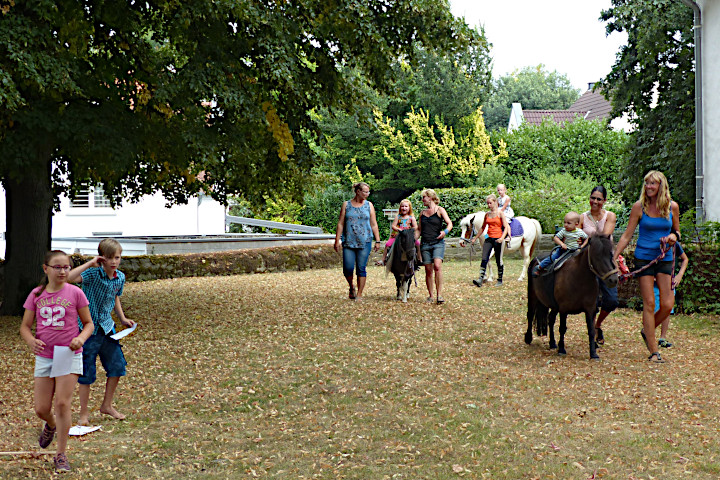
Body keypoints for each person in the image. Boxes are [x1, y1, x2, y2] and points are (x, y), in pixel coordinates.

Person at [20, 250, 95, 472]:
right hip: (45, 357)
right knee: (42, 409)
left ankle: (60, 454)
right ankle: (50, 424)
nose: (63, 271)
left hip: (67, 354)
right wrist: (31, 341)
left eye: (66, 267)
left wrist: (80, 338)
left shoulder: (75, 293)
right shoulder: (36, 294)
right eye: (57, 267)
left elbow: (88, 323)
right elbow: (25, 326)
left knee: (63, 403)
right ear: (46, 269)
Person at [614, 170, 680, 363]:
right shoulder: (639, 207)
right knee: (649, 303)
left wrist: (673, 237)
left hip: (665, 258)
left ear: (661, 186)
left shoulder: (672, 207)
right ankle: (653, 351)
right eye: (647, 183)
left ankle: (647, 330)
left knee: (667, 304)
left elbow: (677, 231)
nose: (649, 187)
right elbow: (627, 235)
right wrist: (615, 255)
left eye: (653, 183)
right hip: (644, 258)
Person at [68, 238, 136, 425]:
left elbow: (115, 297)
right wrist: (90, 263)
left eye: (117, 257)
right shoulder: (92, 274)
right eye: (109, 258)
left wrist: (122, 318)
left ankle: (107, 405)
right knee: (86, 373)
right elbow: (69, 278)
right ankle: (83, 413)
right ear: (101, 258)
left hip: (107, 329)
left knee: (117, 366)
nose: (114, 261)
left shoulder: (119, 277)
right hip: (87, 329)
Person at [578, 186, 619, 346]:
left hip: (605, 261)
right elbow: (577, 237)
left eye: (599, 199)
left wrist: (587, 239)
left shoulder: (610, 216)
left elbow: (604, 237)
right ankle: (592, 332)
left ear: (604, 201)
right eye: (593, 198)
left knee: (612, 299)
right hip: (588, 263)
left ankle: (597, 324)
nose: (595, 201)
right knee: (592, 300)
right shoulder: (582, 217)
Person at [334, 182, 381, 301]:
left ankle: (359, 294)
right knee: (348, 268)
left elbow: (374, 224)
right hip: (349, 241)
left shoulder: (369, 205)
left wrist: (378, 240)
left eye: (368, 192)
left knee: (361, 268)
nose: (367, 194)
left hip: (365, 241)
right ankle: (351, 287)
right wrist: (337, 240)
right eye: (365, 192)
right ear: (358, 191)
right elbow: (340, 223)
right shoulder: (346, 205)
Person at [418, 189, 452, 303]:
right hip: (425, 243)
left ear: (430, 197)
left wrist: (445, 232)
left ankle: (439, 295)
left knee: (437, 266)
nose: (423, 200)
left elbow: (449, 223)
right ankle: (431, 296)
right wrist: (412, 239)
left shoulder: (440, 210)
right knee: (428, 270)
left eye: (424, 197)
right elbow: (419, 230)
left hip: (438, 243)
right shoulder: (422, 213)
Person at [654, 242, 689, 348]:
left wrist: (679, 275)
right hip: (653, 282)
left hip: (668, 282)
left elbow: (685, 259)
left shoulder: (674, 244)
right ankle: (649, 335)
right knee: (654, 309)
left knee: (666, 309)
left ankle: (662, 338)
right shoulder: (652, 242)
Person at [471, 194, 510, 287]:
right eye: (487, 203)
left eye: (490, 203)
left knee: (498, 260)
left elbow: (506, 227)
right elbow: (482, 228)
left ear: (495, 202)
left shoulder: (500, 213)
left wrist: (502, 238)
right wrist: (475, 238)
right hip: (489, 238)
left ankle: (500, 279)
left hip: (498, 239)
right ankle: (480, 279)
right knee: (484, 258)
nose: (489, 205)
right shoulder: (487, 215)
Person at [532, 211, 588, 276]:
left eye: (568, 223)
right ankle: (539, 267)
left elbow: (587, 238)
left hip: (574, 251)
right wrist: (562, 244)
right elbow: (556, 238)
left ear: (576, 224)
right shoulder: (564, 231)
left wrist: (582, 246)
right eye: (565, 222)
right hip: (564, 250)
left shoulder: (580, 232)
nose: (565, 225)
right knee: (553, 257)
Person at [376, 199, 419, 266]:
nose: (404, 208)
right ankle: (383, 259)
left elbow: (416, 227)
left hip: (408, 235)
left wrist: (409, 230)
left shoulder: (411, 218)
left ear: (409, 208)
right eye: (402, 206)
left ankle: (419, 258)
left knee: (417, 243)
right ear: (400, 208)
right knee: (388, 244)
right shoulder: (398, 217)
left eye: (406, 206)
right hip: (397, 234)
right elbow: (393, 225)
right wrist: (398, 229)